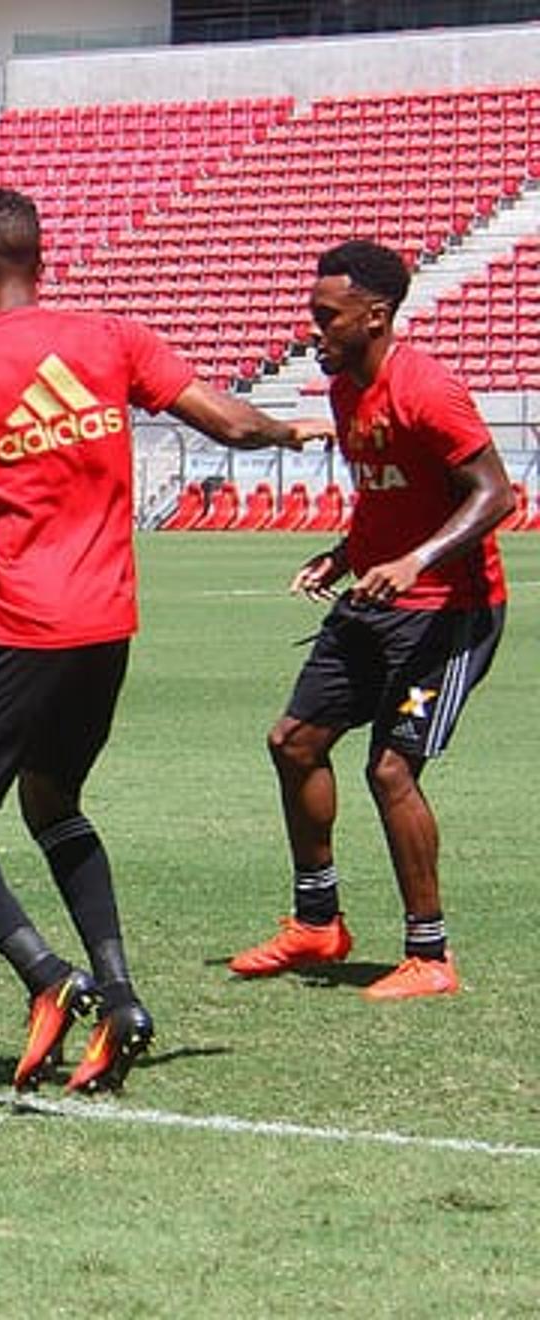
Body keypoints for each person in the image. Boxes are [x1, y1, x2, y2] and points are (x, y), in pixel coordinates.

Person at [0, 189, 332, 1093]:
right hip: (106, 626)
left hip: (14, 626)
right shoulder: (111, 341)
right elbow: (230, 422)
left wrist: (0, 483)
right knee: (52, 799)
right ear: (40, 260)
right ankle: (126, 998)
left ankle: (52, 979)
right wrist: (295, 428)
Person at [229, 241, 514, 1000]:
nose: (312, 329)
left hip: (450, 613)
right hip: (377, 601)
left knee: (390, 768)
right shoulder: (346, 391)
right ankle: (318, 924)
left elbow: (494, 496)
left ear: (374, 316)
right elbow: (385, 495)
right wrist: (343, 556)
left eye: (326, 316)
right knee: (294, 742)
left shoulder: (429, 389)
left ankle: (430, 956)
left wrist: (417, 561)